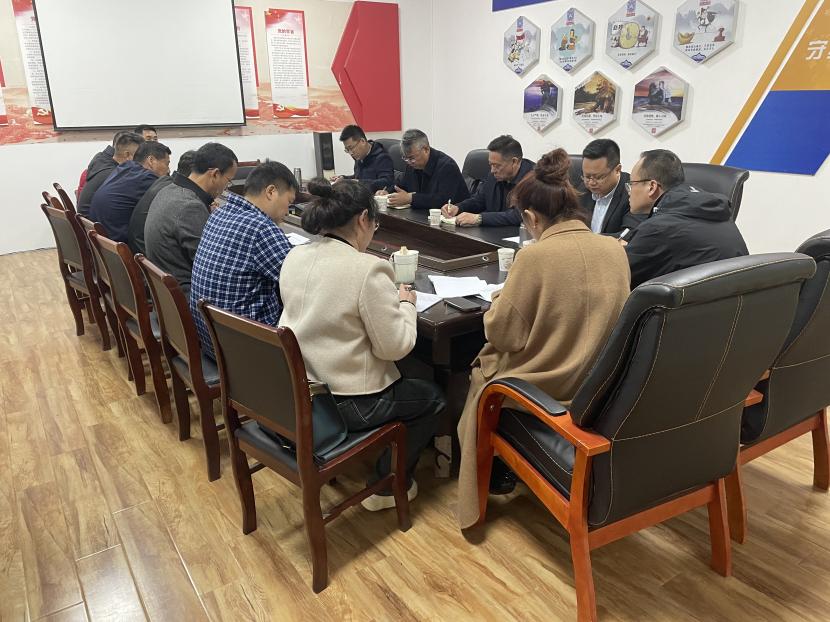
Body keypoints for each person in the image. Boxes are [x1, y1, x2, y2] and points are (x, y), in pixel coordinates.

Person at [456, 149, 630, 529]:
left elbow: (502, 334)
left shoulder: (534, 258)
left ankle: (482, 473)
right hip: (598, 384)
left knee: (479, 371)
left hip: (545, 385)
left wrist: (501, 299)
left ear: (532, 218)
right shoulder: (615, 250)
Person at [279, 178, 445, 511]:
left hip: (303, 390)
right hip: (348, 402)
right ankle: (387, 486)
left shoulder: (295, 255)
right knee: (433, 398)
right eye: (375, 223)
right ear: (363, 219)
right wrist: (406, 303)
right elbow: (394, 348)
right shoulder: (368, 269)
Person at [191, 161, 298, 358]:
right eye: (289, 202)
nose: (287, 211)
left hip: (211, 340)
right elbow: (303, 282)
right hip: (244, 353)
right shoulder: (261, 228)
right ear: (271, 192)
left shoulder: (220, 213)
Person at [624, 149, 749, 288]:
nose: (629, 192)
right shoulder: (717, 211)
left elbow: (615, 275)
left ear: (651, 187)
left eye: (631, 184)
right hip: (729, 298)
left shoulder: (659, 228)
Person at [144, 142, 238, 297]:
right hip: (187, 297)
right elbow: (212, 267)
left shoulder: (169, 190)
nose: (226, 187)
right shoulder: (190, 207)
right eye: (228, 181)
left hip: (166, 294)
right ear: (215, 174)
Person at [441, 135, 533, 227]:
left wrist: (480, 218)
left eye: (497, 165)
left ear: (514, 162)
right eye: (491, 165)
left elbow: (520, 215)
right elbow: (480, 200)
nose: (492, 170)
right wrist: (458, 208)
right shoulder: (494, 175)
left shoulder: (533, 180)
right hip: (491, 232)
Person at [89, 141, 171, 242]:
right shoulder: (146, 178)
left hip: (105, 241)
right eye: (167, 164)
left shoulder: (124, 168)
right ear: (151, 160)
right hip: (120, 242)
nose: (168, 170)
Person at [378, 129, 469, 209]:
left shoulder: (447, 166)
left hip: (453, 218)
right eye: (405, 158)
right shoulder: (412, 164)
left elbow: (443, 200)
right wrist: (387, 191)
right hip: (421, 215)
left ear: (426, 149)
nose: (409, 162)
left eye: (412, 158)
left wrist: (411, 198)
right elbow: (402, 184)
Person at [128, 150, 195, 255]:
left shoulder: (163, 182)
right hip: (147, 255)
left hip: (139, 252)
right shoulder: (180, 196)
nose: (168, 169)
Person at [579, 139, 644, 236]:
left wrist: (592, 240)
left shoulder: (633, 193)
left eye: (599, 177)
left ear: (617, 170)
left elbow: (629, 234)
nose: (591, 183)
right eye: (587, 176)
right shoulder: (582, 190)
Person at [77, 132, 144, 216]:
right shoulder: (115, 175)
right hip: (93, 221)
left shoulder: (102, 161)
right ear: (127, 155)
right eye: (140, 156)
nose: (142, 160)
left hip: (86, 220)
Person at [334, 124, 394, 192]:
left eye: (351, 148)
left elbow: (387, 182)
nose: (351, 153)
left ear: (362, 141)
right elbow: (358, 177)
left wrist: (359, 183)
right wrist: (344, 179)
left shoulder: (382, 157)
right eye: (347, 150)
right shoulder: (359, 156)